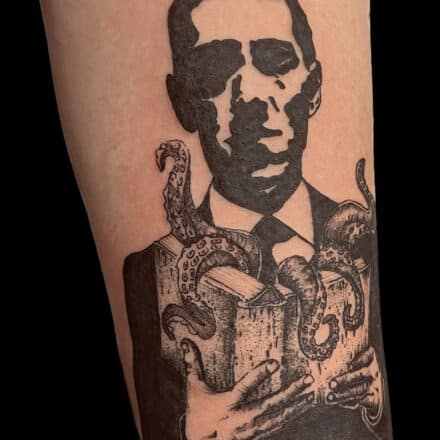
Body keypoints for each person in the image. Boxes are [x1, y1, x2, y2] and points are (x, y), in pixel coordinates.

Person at [41, 0, 392, 438]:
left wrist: (373, 399)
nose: (251, 99)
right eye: (215, 71)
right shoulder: (153, 272)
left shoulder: (352, 237)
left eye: (276, 61)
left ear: (314, 85)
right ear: (182, 102)